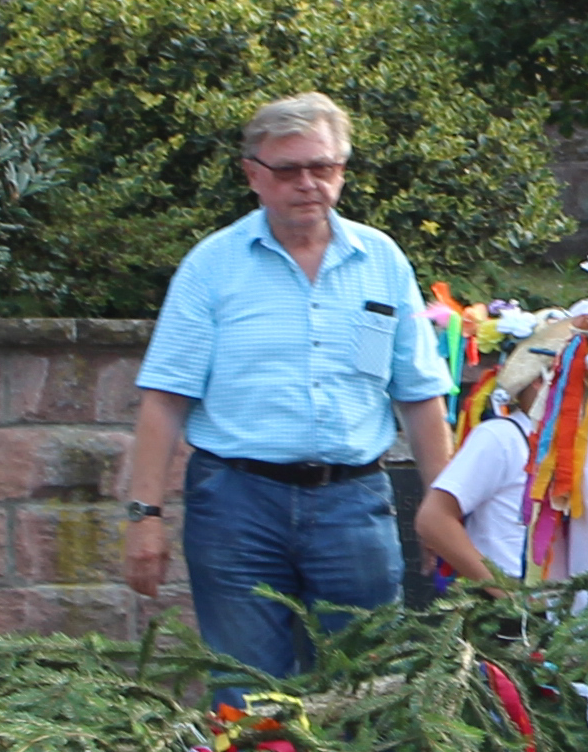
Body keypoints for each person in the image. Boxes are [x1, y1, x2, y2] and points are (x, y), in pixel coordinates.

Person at [123, 94, 455, 680]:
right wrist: (144, 515)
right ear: (253, 174)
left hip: (353, 505)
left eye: (322, 167)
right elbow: (165, 400)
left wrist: (443, 508)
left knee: (366, 687)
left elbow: (420, 396)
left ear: (342, 171)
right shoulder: (212, 266)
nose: (307, 183)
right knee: (247, 693)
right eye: (288, 169)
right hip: (236, 508)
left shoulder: (382, 262)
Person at [416, 285, 588, 585]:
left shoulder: (579, 435)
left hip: (562, 603)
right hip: (529, 603)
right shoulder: (506, 437)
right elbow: (434, 518)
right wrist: (508, 595)